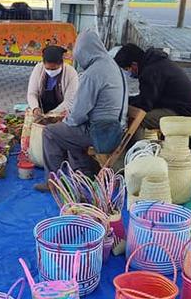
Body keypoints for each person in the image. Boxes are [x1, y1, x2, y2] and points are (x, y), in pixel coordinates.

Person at [36, 30, 127, 192]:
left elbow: (77, 114)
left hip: (102, 133)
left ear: (84, 52)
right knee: (68, 132)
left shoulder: (94, 73)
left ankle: (53, 182)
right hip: (114, 129)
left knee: (51, 132)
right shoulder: (111, 65)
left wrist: (63, 121)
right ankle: (83, 173)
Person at [114, 43, 191, 128]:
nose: (127, 72)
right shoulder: (156, 62)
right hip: (183, 109)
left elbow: (145, 104)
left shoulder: (150, 71)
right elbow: (148, 97)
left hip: (186, 114)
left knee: (139, 119)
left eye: (126, 69)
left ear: (134, 64)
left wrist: (125, 103)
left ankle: (135, 143)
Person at [26, 45, 79, 117]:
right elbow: (32, 93)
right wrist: (35, 108)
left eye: (54, 69)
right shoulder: (38, 68)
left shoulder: (71, 73)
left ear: (61, 63)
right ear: (43, 63)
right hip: (41, 110)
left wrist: (51, 114)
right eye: (47, 68)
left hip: (62, 112)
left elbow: (69, 101)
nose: (51, 71)